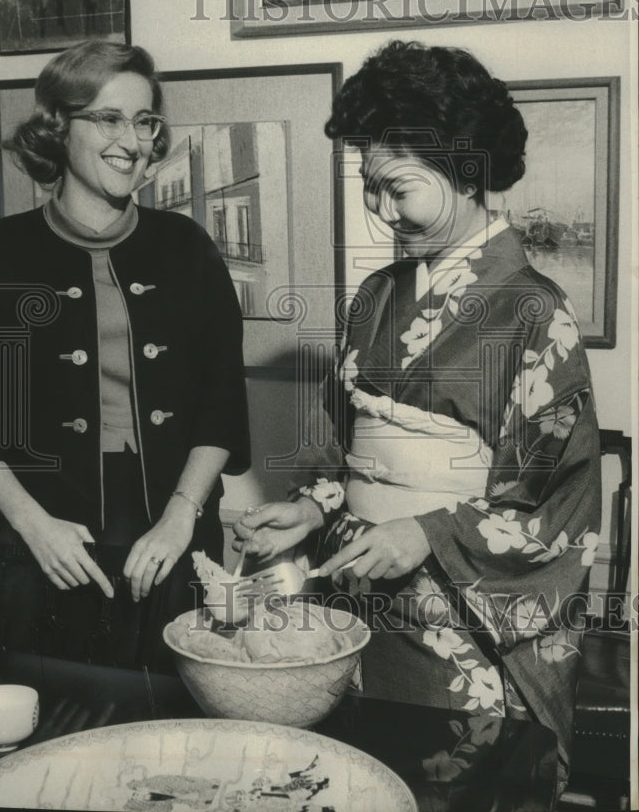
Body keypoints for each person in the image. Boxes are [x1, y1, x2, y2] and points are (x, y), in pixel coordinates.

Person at [233, 40, 600, 789]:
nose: (381, 210)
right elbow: (343, 449)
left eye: (397, 187)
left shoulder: (533, 311)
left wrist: (427, 532)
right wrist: (312, 507)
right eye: (371, 188)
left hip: (462, 627)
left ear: (467, 171)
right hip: (362, 597)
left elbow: (557, 509)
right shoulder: (374, 299)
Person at [0, 40, 249, 669]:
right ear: (57, 127)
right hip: (37, 534)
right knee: (45, 730)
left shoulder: (188, 247)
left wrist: (183, 518)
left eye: (145, 120)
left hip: (170, 525)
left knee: (175, 739)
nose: (132, 140)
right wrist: (31, 525)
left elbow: (221, 400)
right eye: (108, 117)